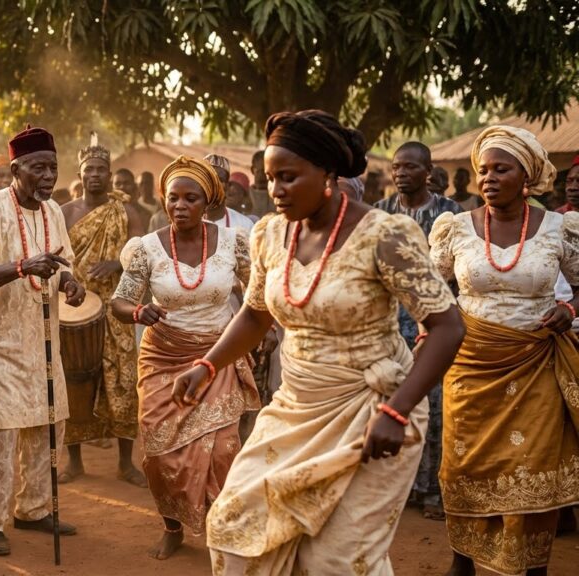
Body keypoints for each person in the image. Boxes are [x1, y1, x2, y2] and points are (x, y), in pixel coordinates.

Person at [176, 110, 464, 573]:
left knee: (338, 560)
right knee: (237, 529)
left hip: (373, 409)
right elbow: (254, 313)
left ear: (328, 174)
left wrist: (397, 410)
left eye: (288, 177)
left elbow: (448, 326)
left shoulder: (385, 235)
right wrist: (207, 365)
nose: (276, 191)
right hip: (295, 407)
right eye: (271, 179)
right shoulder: (270, 234)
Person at [429, 126, 579, 576]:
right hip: (470, 363)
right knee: (463, 467)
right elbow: (431, 291)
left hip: (535, 363)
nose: (488, 178)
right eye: (482, 170)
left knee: (531, 466)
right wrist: (432, 330)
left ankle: (533, 566)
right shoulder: (454, 229)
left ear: (527, 175)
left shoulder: (560, 229)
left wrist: (569, 309)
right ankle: (463, 562)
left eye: (501, 168)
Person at [109, 155, 260, 560]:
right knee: (160, 456)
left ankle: (222, 528)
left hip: (218, 353)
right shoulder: (145, 248)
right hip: (163, 357)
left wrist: (267, 332)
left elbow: (255, 294)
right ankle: (171, 527)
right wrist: (139, 311)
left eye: (190, 198)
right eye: (172, 198)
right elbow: (120, 301)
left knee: (224, 447)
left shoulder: (233, 243)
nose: (179, 205)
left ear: (207, 201)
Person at [0, 126, 85, 556]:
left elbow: (65, 261)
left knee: (48, 423)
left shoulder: (52, 212)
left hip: (43, 339)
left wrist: (70, 282)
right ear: (15, 169)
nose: (48, 176)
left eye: (53, 167)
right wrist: (21, 267)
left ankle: (33, 509)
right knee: (0, 431)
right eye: (38, 167)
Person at [374, 141, 461, 522]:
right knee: (389, 402)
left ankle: (433, 491)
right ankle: (401, 488)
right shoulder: (379, 214)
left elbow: (459, 274)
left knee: (436, 408)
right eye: (397, 167)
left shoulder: (451, 214)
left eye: (410, 167)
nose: (401, 173)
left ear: (429, 171)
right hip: (387, 327)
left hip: (434, 327)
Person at [58, 134, 146, 487]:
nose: (95, 175)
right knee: (76, 382)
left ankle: (126, 463)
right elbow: (56, 254)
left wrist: (115, 262)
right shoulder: (64, 212)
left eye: (101, 170)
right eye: (89, 169)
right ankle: (74, 461)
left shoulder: (127, 211)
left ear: (110, 174)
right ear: (80, 174)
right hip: (75, 309)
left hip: (116, 308)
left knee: (124, 382)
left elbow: (140, 256)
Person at [203, 154, 254, 232]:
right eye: (209, 178)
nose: (214, 184)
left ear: (227, 186)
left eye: (220, 179)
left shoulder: (245, 225)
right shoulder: (189, 222)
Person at [247, 150, 274, 218]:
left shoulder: (276, 196)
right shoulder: (245, 195)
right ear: (252, 170)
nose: (262, 175)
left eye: (266, 171)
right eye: (259, 171)